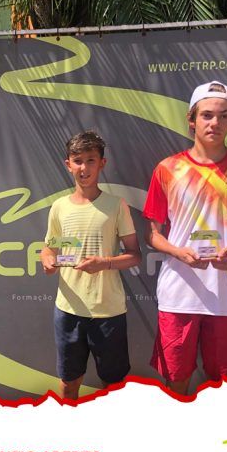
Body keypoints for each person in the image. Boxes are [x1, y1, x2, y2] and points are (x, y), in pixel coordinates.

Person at [143, 81, 227, 395]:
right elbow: (152, 235)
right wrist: (179, 252)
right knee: (176, 382)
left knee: (224, 386)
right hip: (178, 293)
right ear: (192, 119)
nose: (216, 122)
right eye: (207, 115)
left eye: (224, 116)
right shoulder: (168, 169)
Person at [41, 131, 141, 400]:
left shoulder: (116, 205)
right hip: (68, 310)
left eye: (90, 160)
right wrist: (47, 260)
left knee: (114, 386)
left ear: (102, 163)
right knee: (69, 383)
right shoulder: (59, 207)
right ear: (68, 165)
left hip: (108, 311)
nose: (84, 168)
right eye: (78, 161)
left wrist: (104, 263)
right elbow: (49, 247)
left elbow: (135, 255)